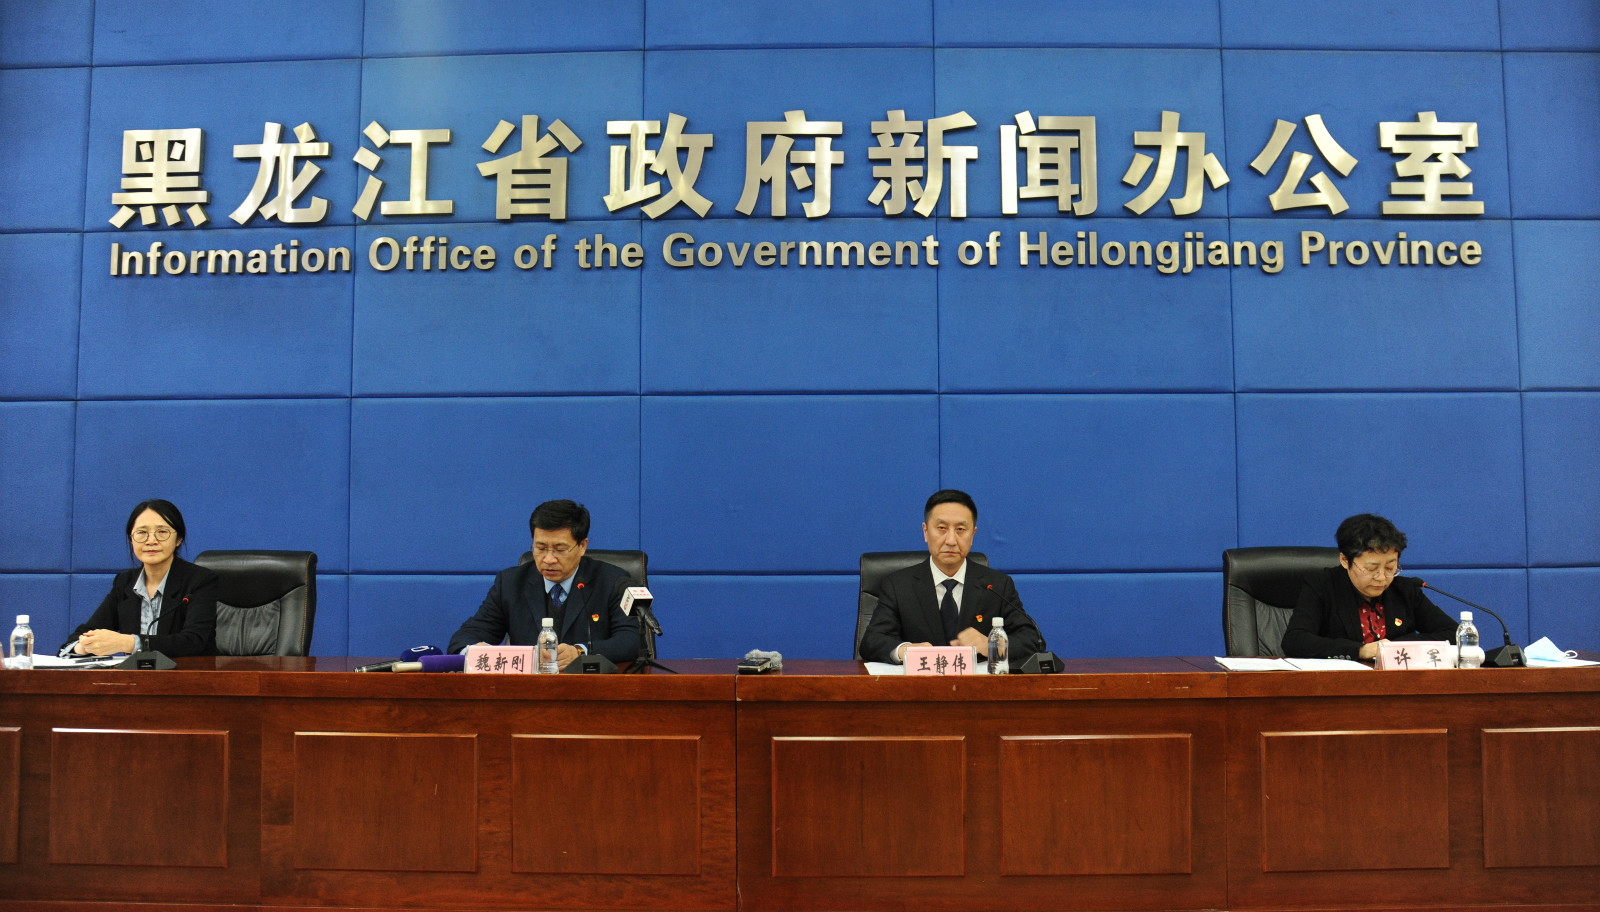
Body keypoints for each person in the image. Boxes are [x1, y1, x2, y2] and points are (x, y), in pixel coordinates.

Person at [859, 489, 1046, 667]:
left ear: (972, 534)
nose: (950, 540)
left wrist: (991, 645)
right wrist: (905, 650)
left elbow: (1033, 640)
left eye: (960, 529)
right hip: (920, 685)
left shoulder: (996, 585)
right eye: (941, 528)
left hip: (976, 687)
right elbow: (872, 641)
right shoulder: (898, 585)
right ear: (925, 531)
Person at [448, 499, 640, 669]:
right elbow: (463, 638)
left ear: (582, 546)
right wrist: (476, 652)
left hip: (592, 689)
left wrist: (580, 651)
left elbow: (631, 641)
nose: (548, 559)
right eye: (540, 548)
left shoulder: (614, 581)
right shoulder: (510, 584)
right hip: (529, 692)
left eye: (560, 549)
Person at [1282, 513, 1458, 660]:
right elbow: (1295, 641)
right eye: (1371, 568)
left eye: (1390, 567)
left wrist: (1396, 647)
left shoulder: (1405, 589)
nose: (1382, 577)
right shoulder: (1322, 586)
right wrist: (1360, 650)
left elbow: (1454, 634)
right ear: (1345, 560)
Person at [63, 499, 218, 657]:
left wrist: (129, 643)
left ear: (179, 539)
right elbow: (81, 634)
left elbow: (193, 642)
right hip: (134, 673)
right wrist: (84, 646)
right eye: (142, 533)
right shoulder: (125, 582)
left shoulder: (200, 580)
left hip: (187, 671)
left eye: (162, 532)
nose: (151, 541)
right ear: (131, 539)